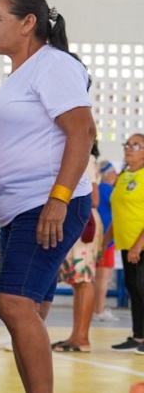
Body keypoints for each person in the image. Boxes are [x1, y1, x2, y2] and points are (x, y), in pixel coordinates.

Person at [0, 0, 94, 393]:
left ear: (28, 23)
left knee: (14, 304)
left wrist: (59, 199)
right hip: (20, 208)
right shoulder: (20, 76)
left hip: (44, 204)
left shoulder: (54, 65)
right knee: (30, 310)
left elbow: (81, 131)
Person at [52, 147, 103, 352]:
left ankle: (82, 338)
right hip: (79, 221)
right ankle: (76, 335)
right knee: (78, 281)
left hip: (85, 223)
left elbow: (95, 198)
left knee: (84, 279)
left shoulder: (85, 158)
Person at [109, 134, 144, 352]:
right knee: (134, 288)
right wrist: (105, 242)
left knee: (142, 288)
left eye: (136, 145)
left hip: (139, 245)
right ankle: (139, 336)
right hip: (125, 242)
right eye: (127, 144)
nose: (129, 148)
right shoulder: (124, 176)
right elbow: (118, 212)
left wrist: (138, 245)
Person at [94, 160, 119, 324]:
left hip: (98, 237)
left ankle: (96, 309)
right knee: (104, 276)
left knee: (98, 276)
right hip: (106, 240)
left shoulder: (98, 189)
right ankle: (99, 310)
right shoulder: (108, 189)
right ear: (109, 174)